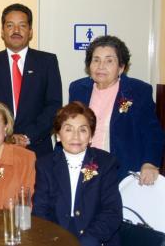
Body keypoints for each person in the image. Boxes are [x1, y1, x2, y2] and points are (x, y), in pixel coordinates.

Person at [69, 35, 165, 184]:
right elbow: (68, 127)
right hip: (83, 169)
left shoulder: (137, 91)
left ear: (121, 67)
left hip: (121, 171)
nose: (101, 66)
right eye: (96, 60)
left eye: (109, 60)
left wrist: (150, 163)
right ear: (89, 65)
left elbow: (152, 133)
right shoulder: (78, 88)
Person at [0, 3, 62, 159]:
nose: (16, 30)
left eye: (22, 25)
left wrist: (27, 136)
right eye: (10, 25)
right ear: (2, 32)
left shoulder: (47, 62)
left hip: (37, 148)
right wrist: (7, 137)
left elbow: (54, 106)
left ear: (30, 32)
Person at [33, 101, 122, 246]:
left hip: (96, 239)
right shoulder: (45, 165)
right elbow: (40, 211)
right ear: (58, 136)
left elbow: (112, 212)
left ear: (91, 136)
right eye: (68, 129)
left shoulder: (106, 163)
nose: (76, 137)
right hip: (56, 238)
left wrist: (86, 241)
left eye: (82, 130)